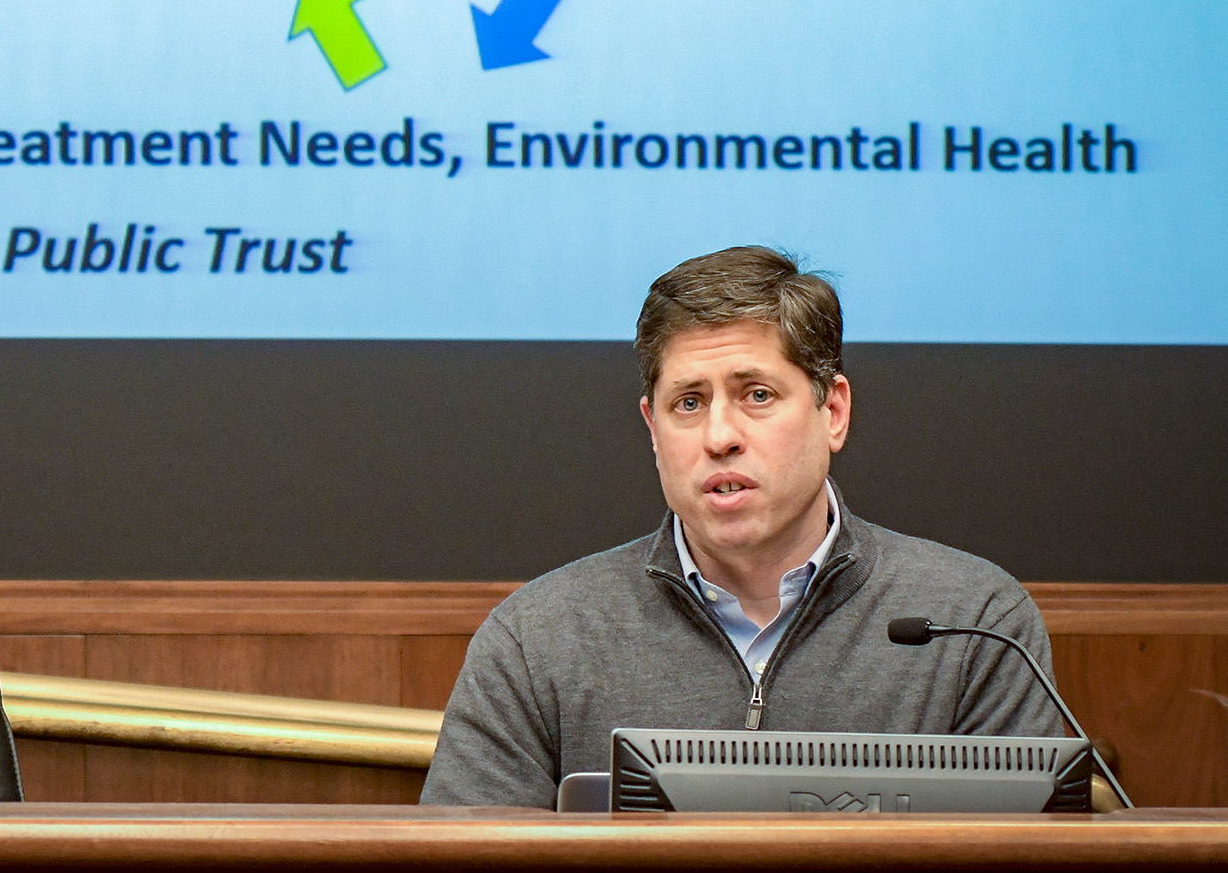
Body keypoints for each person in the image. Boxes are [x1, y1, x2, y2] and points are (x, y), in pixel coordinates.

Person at [421, 245, 1066, 808]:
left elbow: (1029, 868)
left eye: (757, 394)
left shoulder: (975, 621)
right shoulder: (537, 638)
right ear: (652, 428)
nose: (720, 436)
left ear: (832, 411)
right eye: (689, 403)